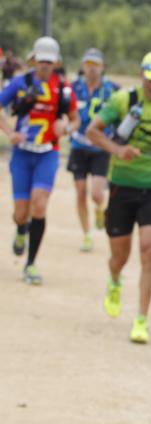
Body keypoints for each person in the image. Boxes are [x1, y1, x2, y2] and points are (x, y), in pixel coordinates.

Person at [86, 51, 151, 344]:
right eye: (150, 79)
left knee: (149, 250)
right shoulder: (123, 101)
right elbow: (92, 132)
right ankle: (115, 280)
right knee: (120, 256)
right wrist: (119, 151)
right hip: (122, 186)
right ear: (141, 75)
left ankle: (141, 319)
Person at [0, 36, 78, 284]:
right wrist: (10, 132)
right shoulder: (20, 83)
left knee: (40, 205)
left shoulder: (64, 89)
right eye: (41, 61)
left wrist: (65, 127)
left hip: (48, 153)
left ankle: (31, 263)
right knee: (21, 213)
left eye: (49, 62)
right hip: (22, 154)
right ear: (33, 60)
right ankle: (21, 229)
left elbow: (76, 119)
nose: (44, 66)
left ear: (56, 63)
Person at [68, 47, 119, 252]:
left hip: (100, 147)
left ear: (102, 67)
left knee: (97, 193)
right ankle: (86, 234)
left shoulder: (111, 89)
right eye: (88, 65)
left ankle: (99, 208)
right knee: (80, 191)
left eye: (95, 65)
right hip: (78, 145)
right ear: (83, 66)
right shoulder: (73, 88)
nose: (92, 69)